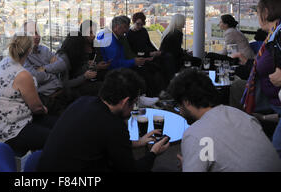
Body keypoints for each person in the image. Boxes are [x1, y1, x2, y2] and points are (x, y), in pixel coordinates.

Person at [37, 68, 170, 172]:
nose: (133, 108)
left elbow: (100, 140)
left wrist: (137, 142)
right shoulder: (114, 125)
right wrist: (153, 153)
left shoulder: (82, 102)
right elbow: (132, 170)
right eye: (134, 103)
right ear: (125, 102)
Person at [167, 68, 281, 172]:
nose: (180, 111)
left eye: (178, 105)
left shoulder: (195, 134)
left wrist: (188, 165)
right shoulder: (242, 116)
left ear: (186, 102)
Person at [0, 33, 56, 155]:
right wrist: (44, 109)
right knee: (56, 138)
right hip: (11, 132)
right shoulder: (23, 75)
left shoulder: (4, 62)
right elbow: (36, 108)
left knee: (55, 124)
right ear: (29, 50)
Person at [241, 0, 281, 163]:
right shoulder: (273, 34)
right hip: (278, 107)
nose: (257, 16)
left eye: (258, 12)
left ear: (265, 13)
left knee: (276, 155)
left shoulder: (280, 33)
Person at [56, 20, 110, 101]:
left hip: (82, 82)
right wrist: (85, 76)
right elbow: (65, 84)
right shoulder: (64, 59)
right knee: (102, 87)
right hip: (73, 89)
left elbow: (77, 70)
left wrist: (91, 66)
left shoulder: (75, 54)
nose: (93, 35)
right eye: (90, 32)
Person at [22, 21, 67, 115]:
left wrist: (45, 68)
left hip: (60, 93)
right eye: (31, 34)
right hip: (46, 99)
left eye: (37, 33)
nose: (36, 36)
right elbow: (35, 77)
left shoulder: (44, 49)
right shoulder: (23, 56)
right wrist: (53, 72)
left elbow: (62, 64)